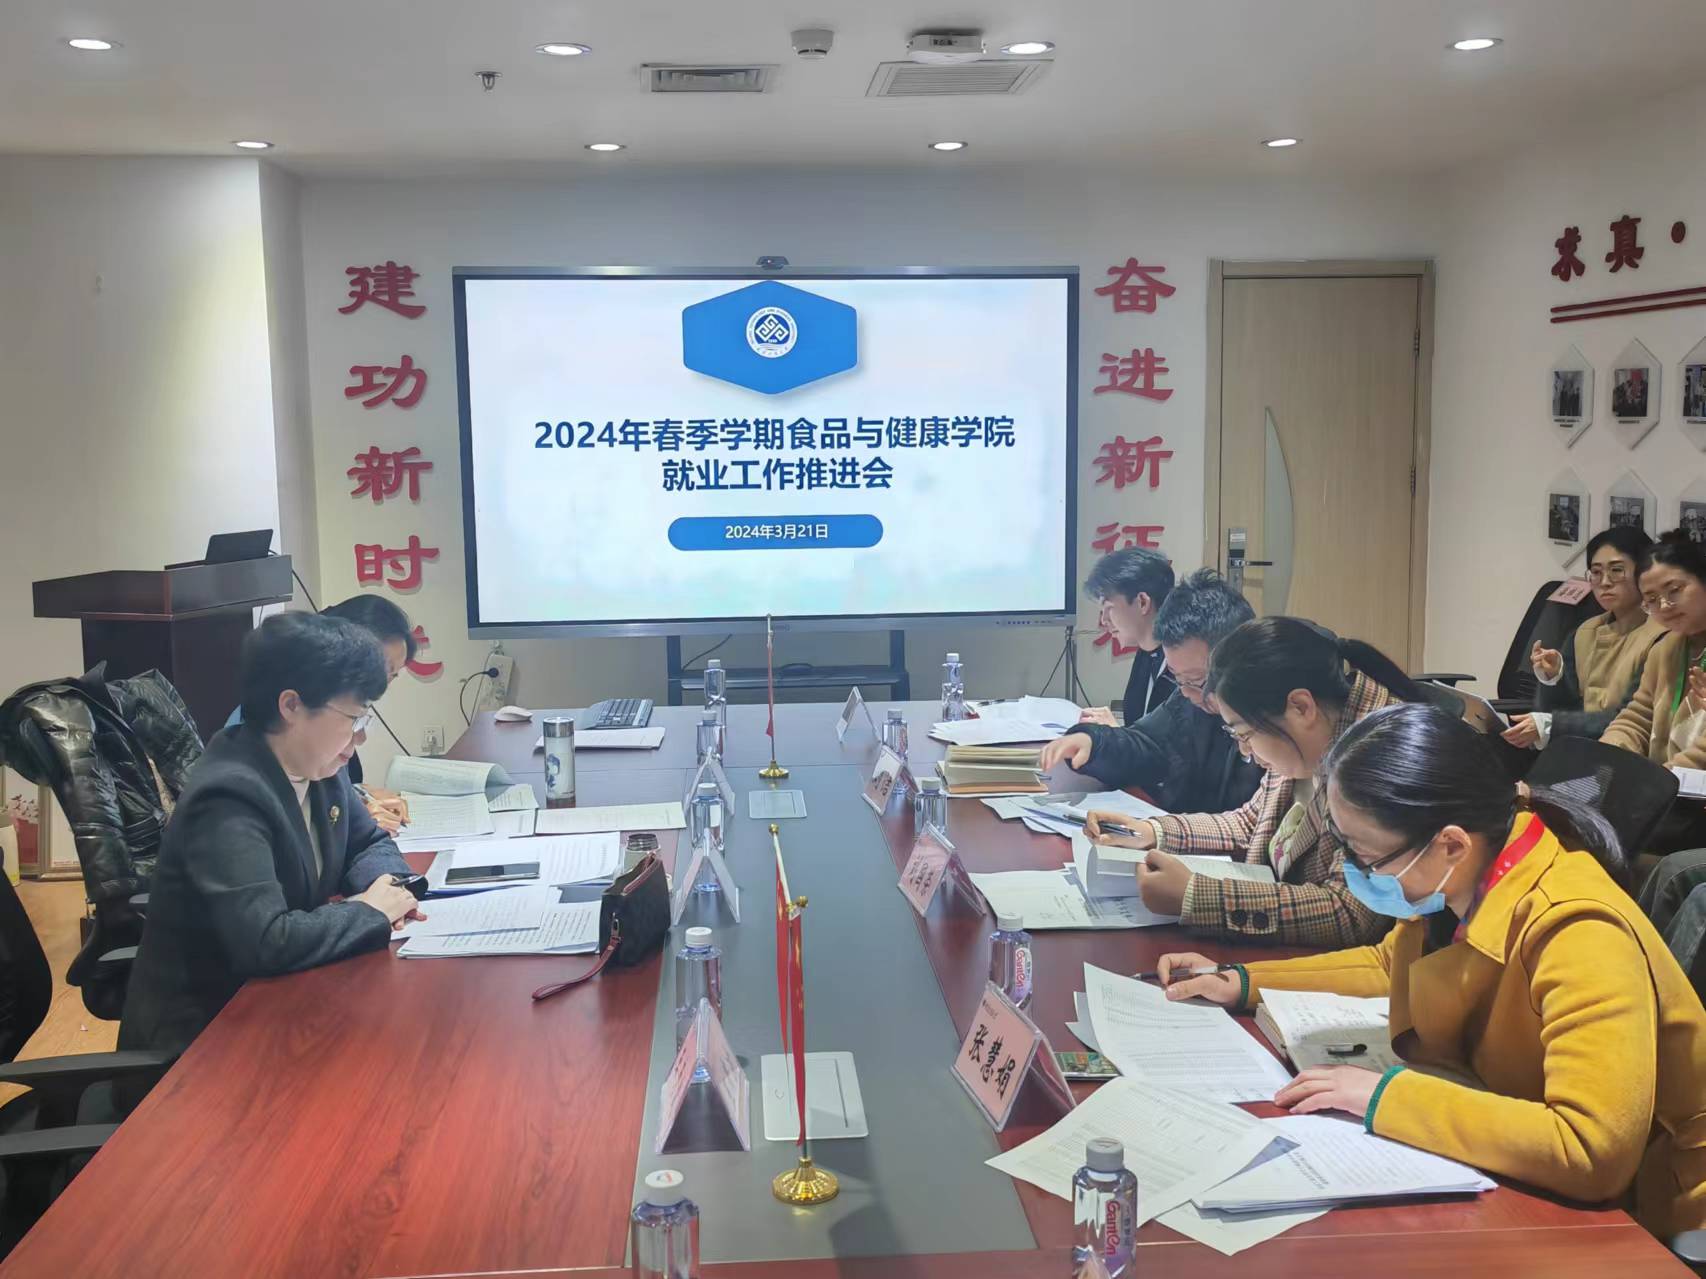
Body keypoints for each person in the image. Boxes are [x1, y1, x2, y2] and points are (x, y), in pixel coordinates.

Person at [1156, 704, 1706, 1240]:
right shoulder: (1462, 876)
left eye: (1366, 856)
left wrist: (1384, 1098)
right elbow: (1386, 962)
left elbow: (1590, 1149)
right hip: (1519, 1138)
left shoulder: (1579, 929)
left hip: (1656, 1217)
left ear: (1450, 844)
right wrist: (1244, 981)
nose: (1356, 872)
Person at [119, 612, 425, 1058]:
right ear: (291, 706)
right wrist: (371, 912)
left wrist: (391, 888)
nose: (359, 739)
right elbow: (265, 941)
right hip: (203, 1046)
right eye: (353, 718)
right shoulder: (227, 796)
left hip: (283, 1006)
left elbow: (367, 843)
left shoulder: (319, 766)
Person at [1082, 616, 1437, 947]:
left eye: (1245, 733)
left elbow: (1351, 913)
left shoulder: (1383, 758)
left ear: (1301, 707)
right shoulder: (1309, 734)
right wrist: (1152, 831)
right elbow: (1252, 822)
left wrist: (1196, 897)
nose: (1245, 751)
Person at [1040, 569, 1263, 814]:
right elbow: (1146, 743)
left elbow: (1247, 823)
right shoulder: (1189, 698)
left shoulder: (1270, 722)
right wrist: (1093, 743)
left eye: (1196, 680)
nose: (1186, 692)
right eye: (1177, 679)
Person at [226, 595, 416, 832]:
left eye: (391, 675)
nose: (380, 684)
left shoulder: (334, 718)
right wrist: (352, 822)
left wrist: (359, 795)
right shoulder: (259, 737)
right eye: (381, 668)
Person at [1504, 526, 1662, 750]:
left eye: (1617, 570)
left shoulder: (1661, 637)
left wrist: (1551, 725)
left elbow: (1631, 719)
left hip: (1629, 754)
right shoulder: (1584, 632)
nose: (1604, 582)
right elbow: (1559, 711)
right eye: (1596, 572)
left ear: (1644, 572)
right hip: (1579, 751)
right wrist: (1554, 678)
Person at [1601, 530, 1706, 772]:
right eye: (1651, 599)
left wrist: (1656, 783)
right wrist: (1607, 754)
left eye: (1674, 590)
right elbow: (1638, 718)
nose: (1664, 606)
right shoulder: (1664, 649)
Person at [1077, 548, 1177, 727]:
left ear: (1142, 602)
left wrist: (1117, 733)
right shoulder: (1146, 652)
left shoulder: (1181, 662)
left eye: (1109, 608)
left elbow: (1171, 742)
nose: (1104, 620)